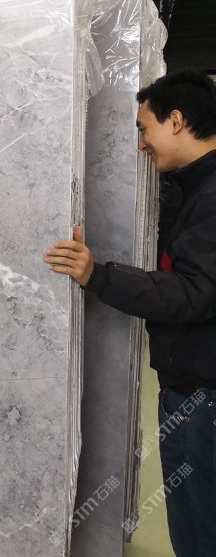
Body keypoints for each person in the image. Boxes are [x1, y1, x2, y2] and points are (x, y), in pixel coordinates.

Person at [44, 69, 216, 557]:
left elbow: (192, 293)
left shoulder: (212, 196)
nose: (141, 145)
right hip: (198, 394)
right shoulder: (196, 189)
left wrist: (97, 275)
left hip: (204, 400)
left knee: (201, 535)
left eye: (144, 129)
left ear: (176, 120)